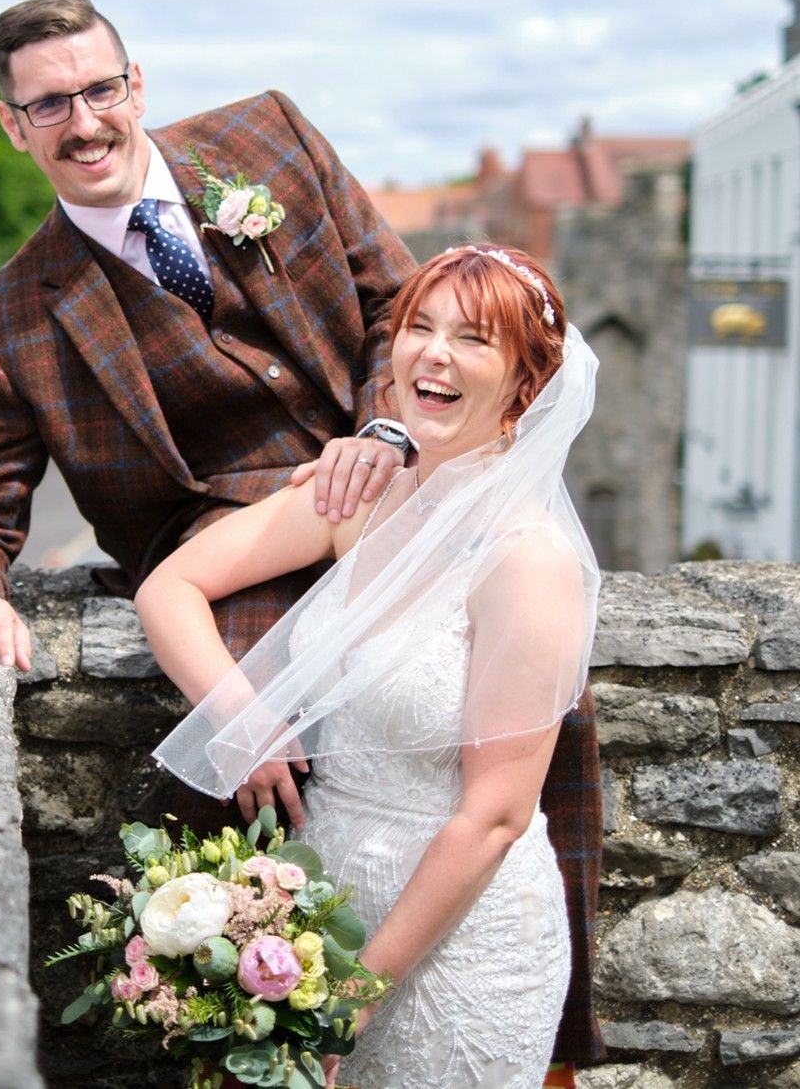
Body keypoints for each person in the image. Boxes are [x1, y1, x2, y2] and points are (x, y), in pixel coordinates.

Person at [137, 246, 601, 1088]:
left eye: (474, 339)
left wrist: (354, 998)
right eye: (419, 327)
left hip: (460, 950)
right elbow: (172, 588)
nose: (434, 353)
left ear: (527, 382)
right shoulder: (362, 490)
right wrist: (245, 723)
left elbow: (493, 819)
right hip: (325, 909)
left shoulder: (528, 561)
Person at [0, 0, 417, 668]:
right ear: (13, 125)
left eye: (101, 90)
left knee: (526, 668)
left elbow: (401, 303)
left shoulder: (271, 137)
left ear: (137, 87)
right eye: (50, 105)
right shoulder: (8, 318)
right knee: (254, 737)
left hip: (393, 479)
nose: (86, 124)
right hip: (232, 568)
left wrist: (385, 429)